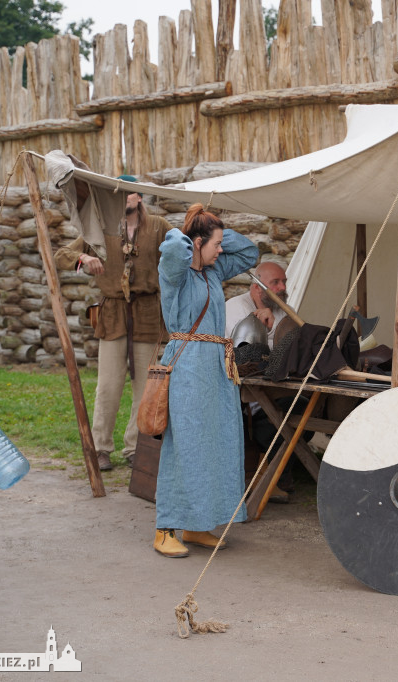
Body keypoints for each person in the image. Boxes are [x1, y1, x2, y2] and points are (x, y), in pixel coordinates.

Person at [153, 204, 259, 557]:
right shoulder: (175, 274)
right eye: (215, 243)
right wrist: (192, 231)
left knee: (216, 443)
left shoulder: (214, 271)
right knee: (184, 445)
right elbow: (170, 248)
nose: (222, 249)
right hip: (187, 368)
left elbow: (249, 252)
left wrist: (215, 229)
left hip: (216, 368)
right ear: (196, 244)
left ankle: (197, 525)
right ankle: (165, 528)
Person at [55, 176, 172, 471]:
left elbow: (182, 250)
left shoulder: (158, 227)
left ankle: (136, 447)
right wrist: (83, 258)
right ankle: (101, 447)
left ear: (139, 197)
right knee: (108, 385)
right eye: (117, 194)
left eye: (128, 194)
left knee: (145, 387)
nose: (123, 199)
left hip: (147, 311)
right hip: (114, 313)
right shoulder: (101, 227)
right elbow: (61, 255)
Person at [224, 260, 297, 503]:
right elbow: (248, 353)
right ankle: (273, 476)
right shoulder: (235, 307)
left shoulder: (281, 309)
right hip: (242, 391)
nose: (281, 287)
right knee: (276, 415)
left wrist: (276, 324)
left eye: (283, 281)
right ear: (257, 287)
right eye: (275, 282)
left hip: (275, 384)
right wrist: (268, 329)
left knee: (302, 406)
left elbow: (292, 348)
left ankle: (275, 473)